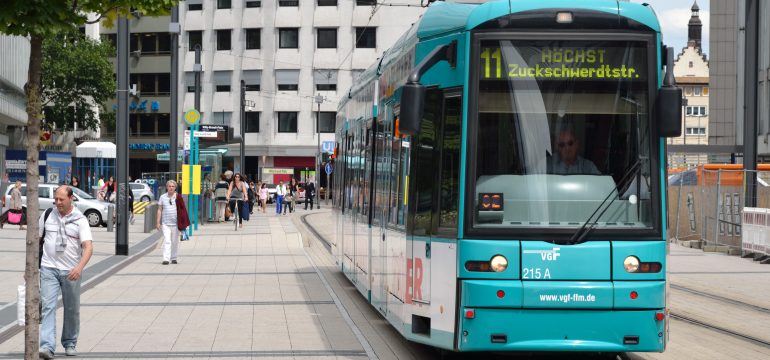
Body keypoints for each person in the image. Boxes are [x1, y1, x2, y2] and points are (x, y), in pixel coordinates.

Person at [38, 185, 94, 359]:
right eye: (56, 199)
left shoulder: (80, 220)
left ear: (71, 198)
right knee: (48, 307)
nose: (57, 202)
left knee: (71, 309)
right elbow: (36, 240)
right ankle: (47, 346)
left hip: (71, 271)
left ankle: (70, 342)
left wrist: (79, 267)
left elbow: (88, 247)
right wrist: (32, 267)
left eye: (61, 199)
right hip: (49, 268)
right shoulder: (47, 215)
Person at [155, 180, 190, 265]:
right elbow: (159, 209)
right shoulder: (162, 197)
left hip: (176, 224)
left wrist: (184, 224)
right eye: (169, 186)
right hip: (165, 223)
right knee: (167, 241)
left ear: (175, 188)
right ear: (167, 187)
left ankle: (173, 257)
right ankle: (166, 259)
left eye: (172, 186)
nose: (171, 188)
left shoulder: (178, 197)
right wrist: (158, 222)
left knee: (174, 241)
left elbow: (183, 210)